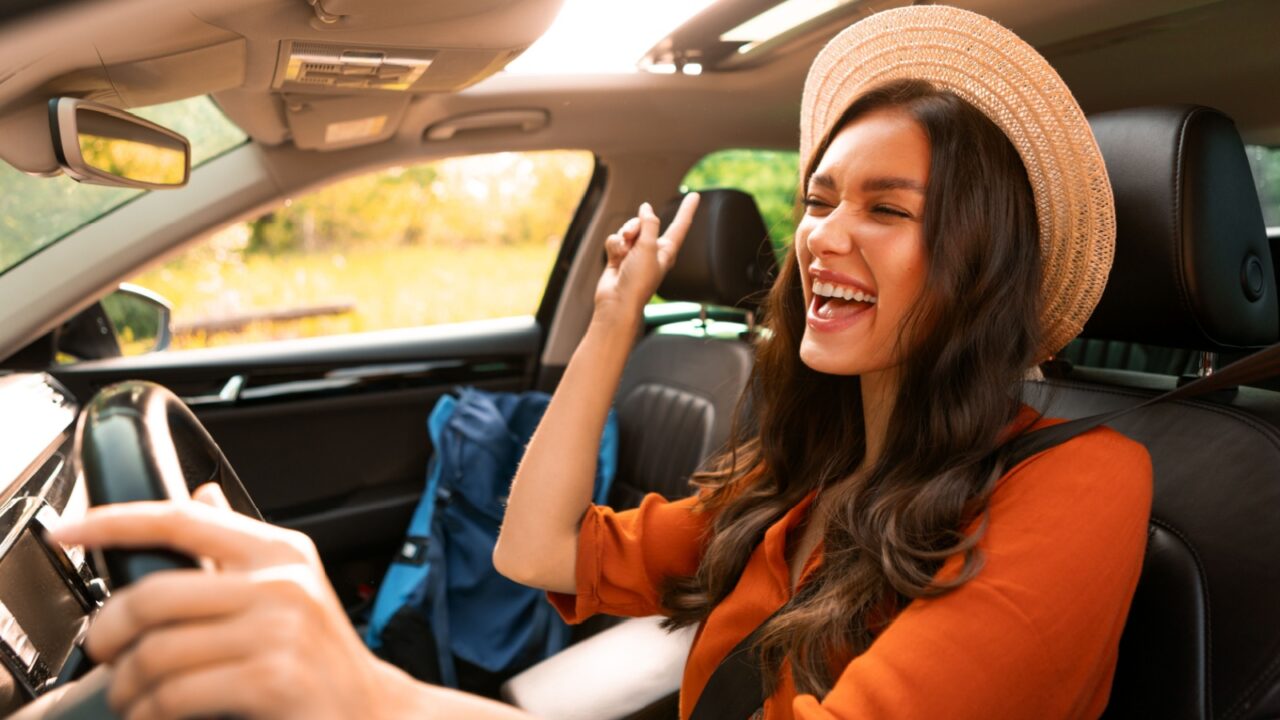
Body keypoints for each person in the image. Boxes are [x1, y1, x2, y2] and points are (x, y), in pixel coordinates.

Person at [38, 5, 1151, 720]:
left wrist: (369, 697)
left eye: (884, 208)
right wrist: (614, 318)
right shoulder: (804, 484)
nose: (821, 235)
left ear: (977, 266)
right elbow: (533, 551)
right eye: (816, 201)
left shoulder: (1085, 483)